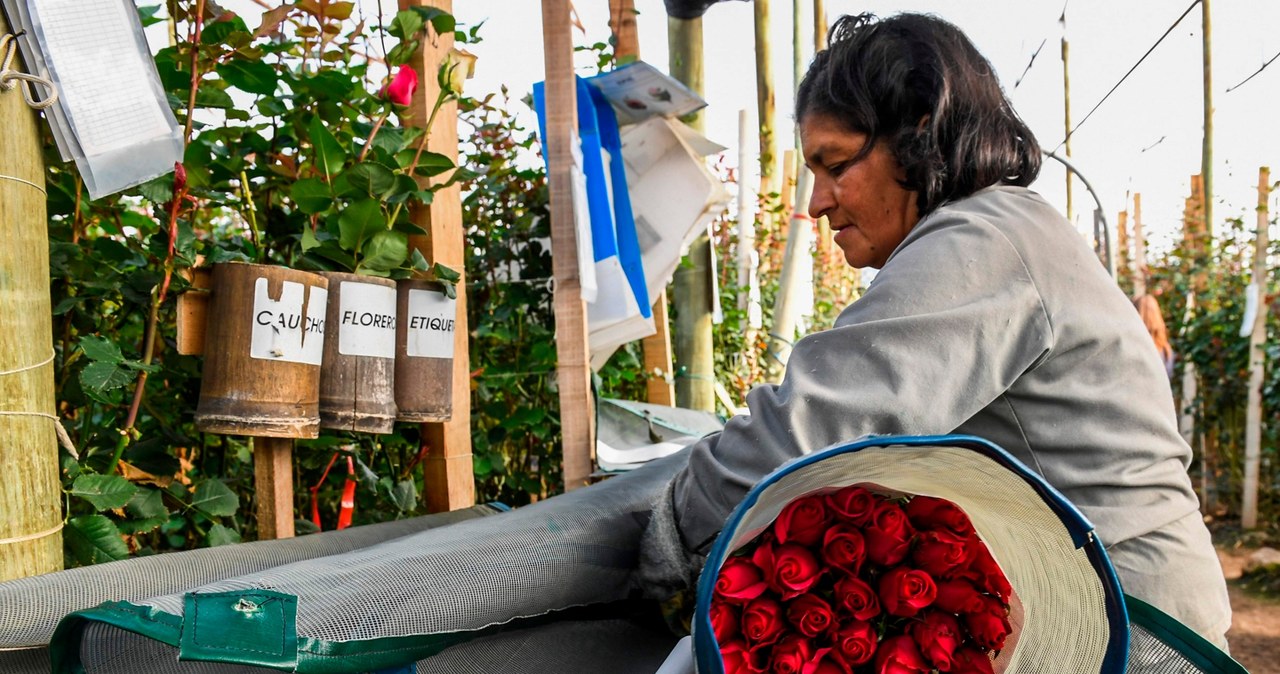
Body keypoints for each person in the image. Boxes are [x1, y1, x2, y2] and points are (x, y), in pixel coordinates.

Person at [638, 12, 1232, 648]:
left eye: (834, 164)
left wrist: (658, 546)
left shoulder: (985, 241)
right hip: (1114, 604)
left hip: (1136, 629)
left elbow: (806, 426)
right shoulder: (1001, 230)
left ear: (919, 132)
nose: (817, 201)